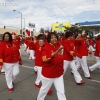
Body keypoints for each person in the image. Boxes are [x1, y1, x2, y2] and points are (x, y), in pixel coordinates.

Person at [37, 32, 67, 100]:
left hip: (58, 73)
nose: (54, 39)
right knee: (44, 90)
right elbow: (44, 59)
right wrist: (56, 53)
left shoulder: (58, 45)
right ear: (49, 39)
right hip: (49, 74)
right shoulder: (45, 47)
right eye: (52, 37)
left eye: (55, 37)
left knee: (61, 91)